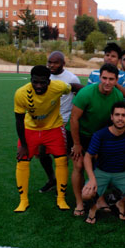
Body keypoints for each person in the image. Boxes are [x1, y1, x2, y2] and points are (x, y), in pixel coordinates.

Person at [13, 65, 81, 212]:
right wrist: (23, 144)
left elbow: (75, 86)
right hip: (30, 129)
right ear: (31, 80)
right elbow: (18, 120)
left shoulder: (59, 86)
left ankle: (61, 199)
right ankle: (23, 201)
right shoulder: (21, 93)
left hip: (54, 128)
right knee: (22, 160)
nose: (38, 85)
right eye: (35, 82)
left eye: (42, 82)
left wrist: (89, 93)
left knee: (61, 160)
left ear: (49, 81)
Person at [67, 63, 124, 216]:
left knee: (101, 167)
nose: (107, 82)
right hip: (80, 134)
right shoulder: (86, 93)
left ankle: (100, 199)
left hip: (98, 137)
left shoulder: (118, 96)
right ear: (99, 78)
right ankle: (79, 203)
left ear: (116, 80)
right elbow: (74, 119)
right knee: (78, 166)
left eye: (111, 79)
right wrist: (77, 144)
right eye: (104, 78)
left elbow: (117, 121)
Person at [81, 102, 125, 224]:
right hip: (102, 171)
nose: (120, 118)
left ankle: (121, 202)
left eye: (123, 115)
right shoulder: (100, 135)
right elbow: (87, 157)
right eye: (117, 115)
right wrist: (92, 178)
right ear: (111, 117)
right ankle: (95, 206)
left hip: (121, 173)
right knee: (86, 194)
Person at [38, 51, 82, 193]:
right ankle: (52, 179)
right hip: (45, 123)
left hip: (63, 123)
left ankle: (61, 184)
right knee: (42, 153)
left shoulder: (72, 78)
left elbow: (78, 100)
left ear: (63, 63)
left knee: (62, 156)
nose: (51, 65)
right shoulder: (45, 76)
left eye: (55, 62)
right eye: (49, 62)